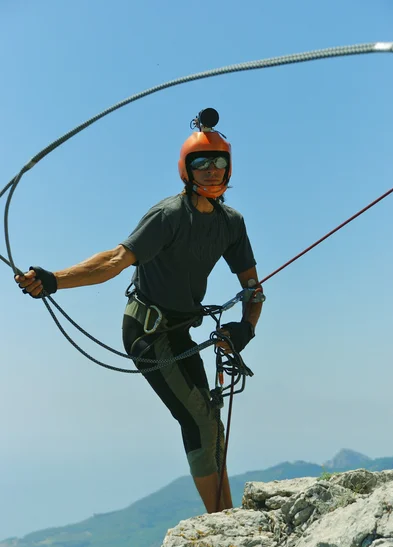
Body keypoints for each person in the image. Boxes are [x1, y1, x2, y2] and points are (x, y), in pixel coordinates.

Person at [15, 108, 264, 513]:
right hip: (147, 330)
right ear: (187, 170)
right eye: (201, 163)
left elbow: (253, 290)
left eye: (219, 162)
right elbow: (115, 260)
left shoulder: (231, 224)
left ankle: (226, 519)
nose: (212, 170)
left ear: (229, 168)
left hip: (178, 330)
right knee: (199, 420)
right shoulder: (167, 216)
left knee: (210, 420)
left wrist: (245, 330)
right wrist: (54, 279)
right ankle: (224, 525)